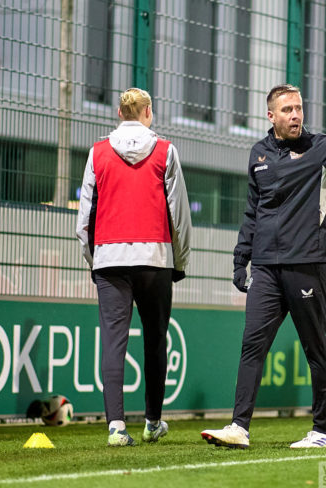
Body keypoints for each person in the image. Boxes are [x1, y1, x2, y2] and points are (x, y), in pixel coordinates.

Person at [201, 82, 326, 449]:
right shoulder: (258, 154)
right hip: (265, 266)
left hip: (307, 263)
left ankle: (322, 431)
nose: (295, 115)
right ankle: (238, 427)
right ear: (271, 115)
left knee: (315, 348)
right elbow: (252, 211)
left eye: (299, 108)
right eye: (288, 110)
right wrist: (240, 258)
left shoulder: (320, 148)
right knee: (252, 346)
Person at [76, 88, 192, 446]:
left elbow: (84, 217)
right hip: (155, 259)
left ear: (119, 112)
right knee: (156, 340)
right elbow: (179, 213)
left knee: (113, 342)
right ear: (148, 112)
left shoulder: (97, 153)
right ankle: (153, 421)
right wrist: (180, 260)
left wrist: (93, 259)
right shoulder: (165, 151)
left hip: (110, 259)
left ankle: (115, 427)